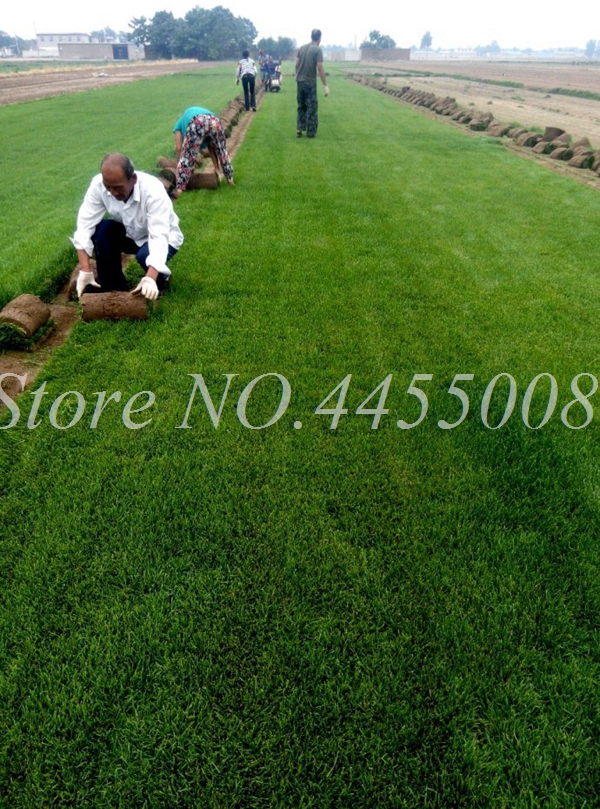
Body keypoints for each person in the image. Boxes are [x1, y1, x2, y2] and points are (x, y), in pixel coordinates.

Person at [71, 153, 184, 302]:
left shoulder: (153, 191)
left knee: (145, 255)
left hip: (164, 237)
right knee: (103, 231)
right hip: (130, 233)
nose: (112, 193)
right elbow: (84, 226)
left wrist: (150, 277)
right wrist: (85, 269)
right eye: (108, 187)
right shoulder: (98, 186)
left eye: (118, 188)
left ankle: (162, 278)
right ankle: (113, 289)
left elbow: (159, 237)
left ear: (133, 179)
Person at [172, 108, 234, 197]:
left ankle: (179, 189)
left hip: (197, 122)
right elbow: (212, 148)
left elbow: (178, 148)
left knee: (187, 156)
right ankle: (230, 179)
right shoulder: (191, 113)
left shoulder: (179, 124)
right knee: (222, 151)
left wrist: (179, 169)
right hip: (214, 121)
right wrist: (216, 168)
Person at [295, 29, 329, 139]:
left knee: (301, 106)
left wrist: (298, 76)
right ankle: (310, 132)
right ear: (319, 38)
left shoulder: (302, 48)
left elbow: (296, 65)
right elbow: (320, 67)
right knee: (312, 107)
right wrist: (325, 85)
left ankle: (299, 129)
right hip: (310, 82)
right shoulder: (317, 50)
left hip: (300, 82)